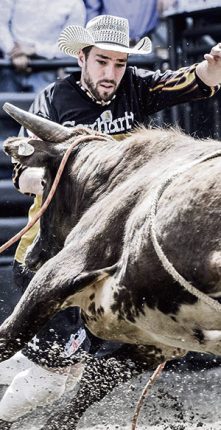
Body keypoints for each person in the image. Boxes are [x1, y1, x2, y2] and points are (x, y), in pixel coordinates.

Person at [0, 13, 221, 427]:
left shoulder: (136, 87)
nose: (111, 73)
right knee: (56, 373)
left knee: (58, 364)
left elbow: (196, 78)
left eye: (119, 64)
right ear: (82, 57)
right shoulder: (53, 100)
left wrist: (214, 65)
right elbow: (25, 173)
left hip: (114, 244)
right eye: (102, 61)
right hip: (57, 248)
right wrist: (54, 174)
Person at [0, 0, 86, 93]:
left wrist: (36, 50)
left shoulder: (75, 3)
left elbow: (72, 44)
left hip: (47, 69)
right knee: (4, 105)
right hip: (10, 66)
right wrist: (13, 51)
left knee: (43, 106)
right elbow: (1, 23)